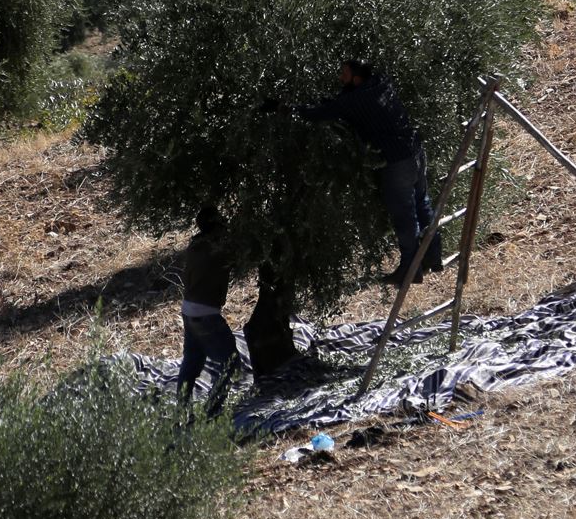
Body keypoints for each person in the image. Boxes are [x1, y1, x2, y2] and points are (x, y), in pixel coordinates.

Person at [275, 60, 443, 285]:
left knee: (404, 214)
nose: (340, 78)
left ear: (356, 78)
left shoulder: (355, 100)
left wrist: (283, 108)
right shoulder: (382, 83)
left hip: (397, 161)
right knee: (422, 202)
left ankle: (410, 268)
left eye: (344, 74)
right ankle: (433, 255)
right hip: (416, 151)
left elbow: (319, 113)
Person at [176, 206, 239, 417]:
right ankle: (212, 411)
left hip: (188, 311)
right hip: (207, 315)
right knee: (231, 363)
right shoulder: (216, 248)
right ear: (216, 228)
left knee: (191, 364)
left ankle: (182, 412)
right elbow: (238, 254)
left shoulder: (195, 245)